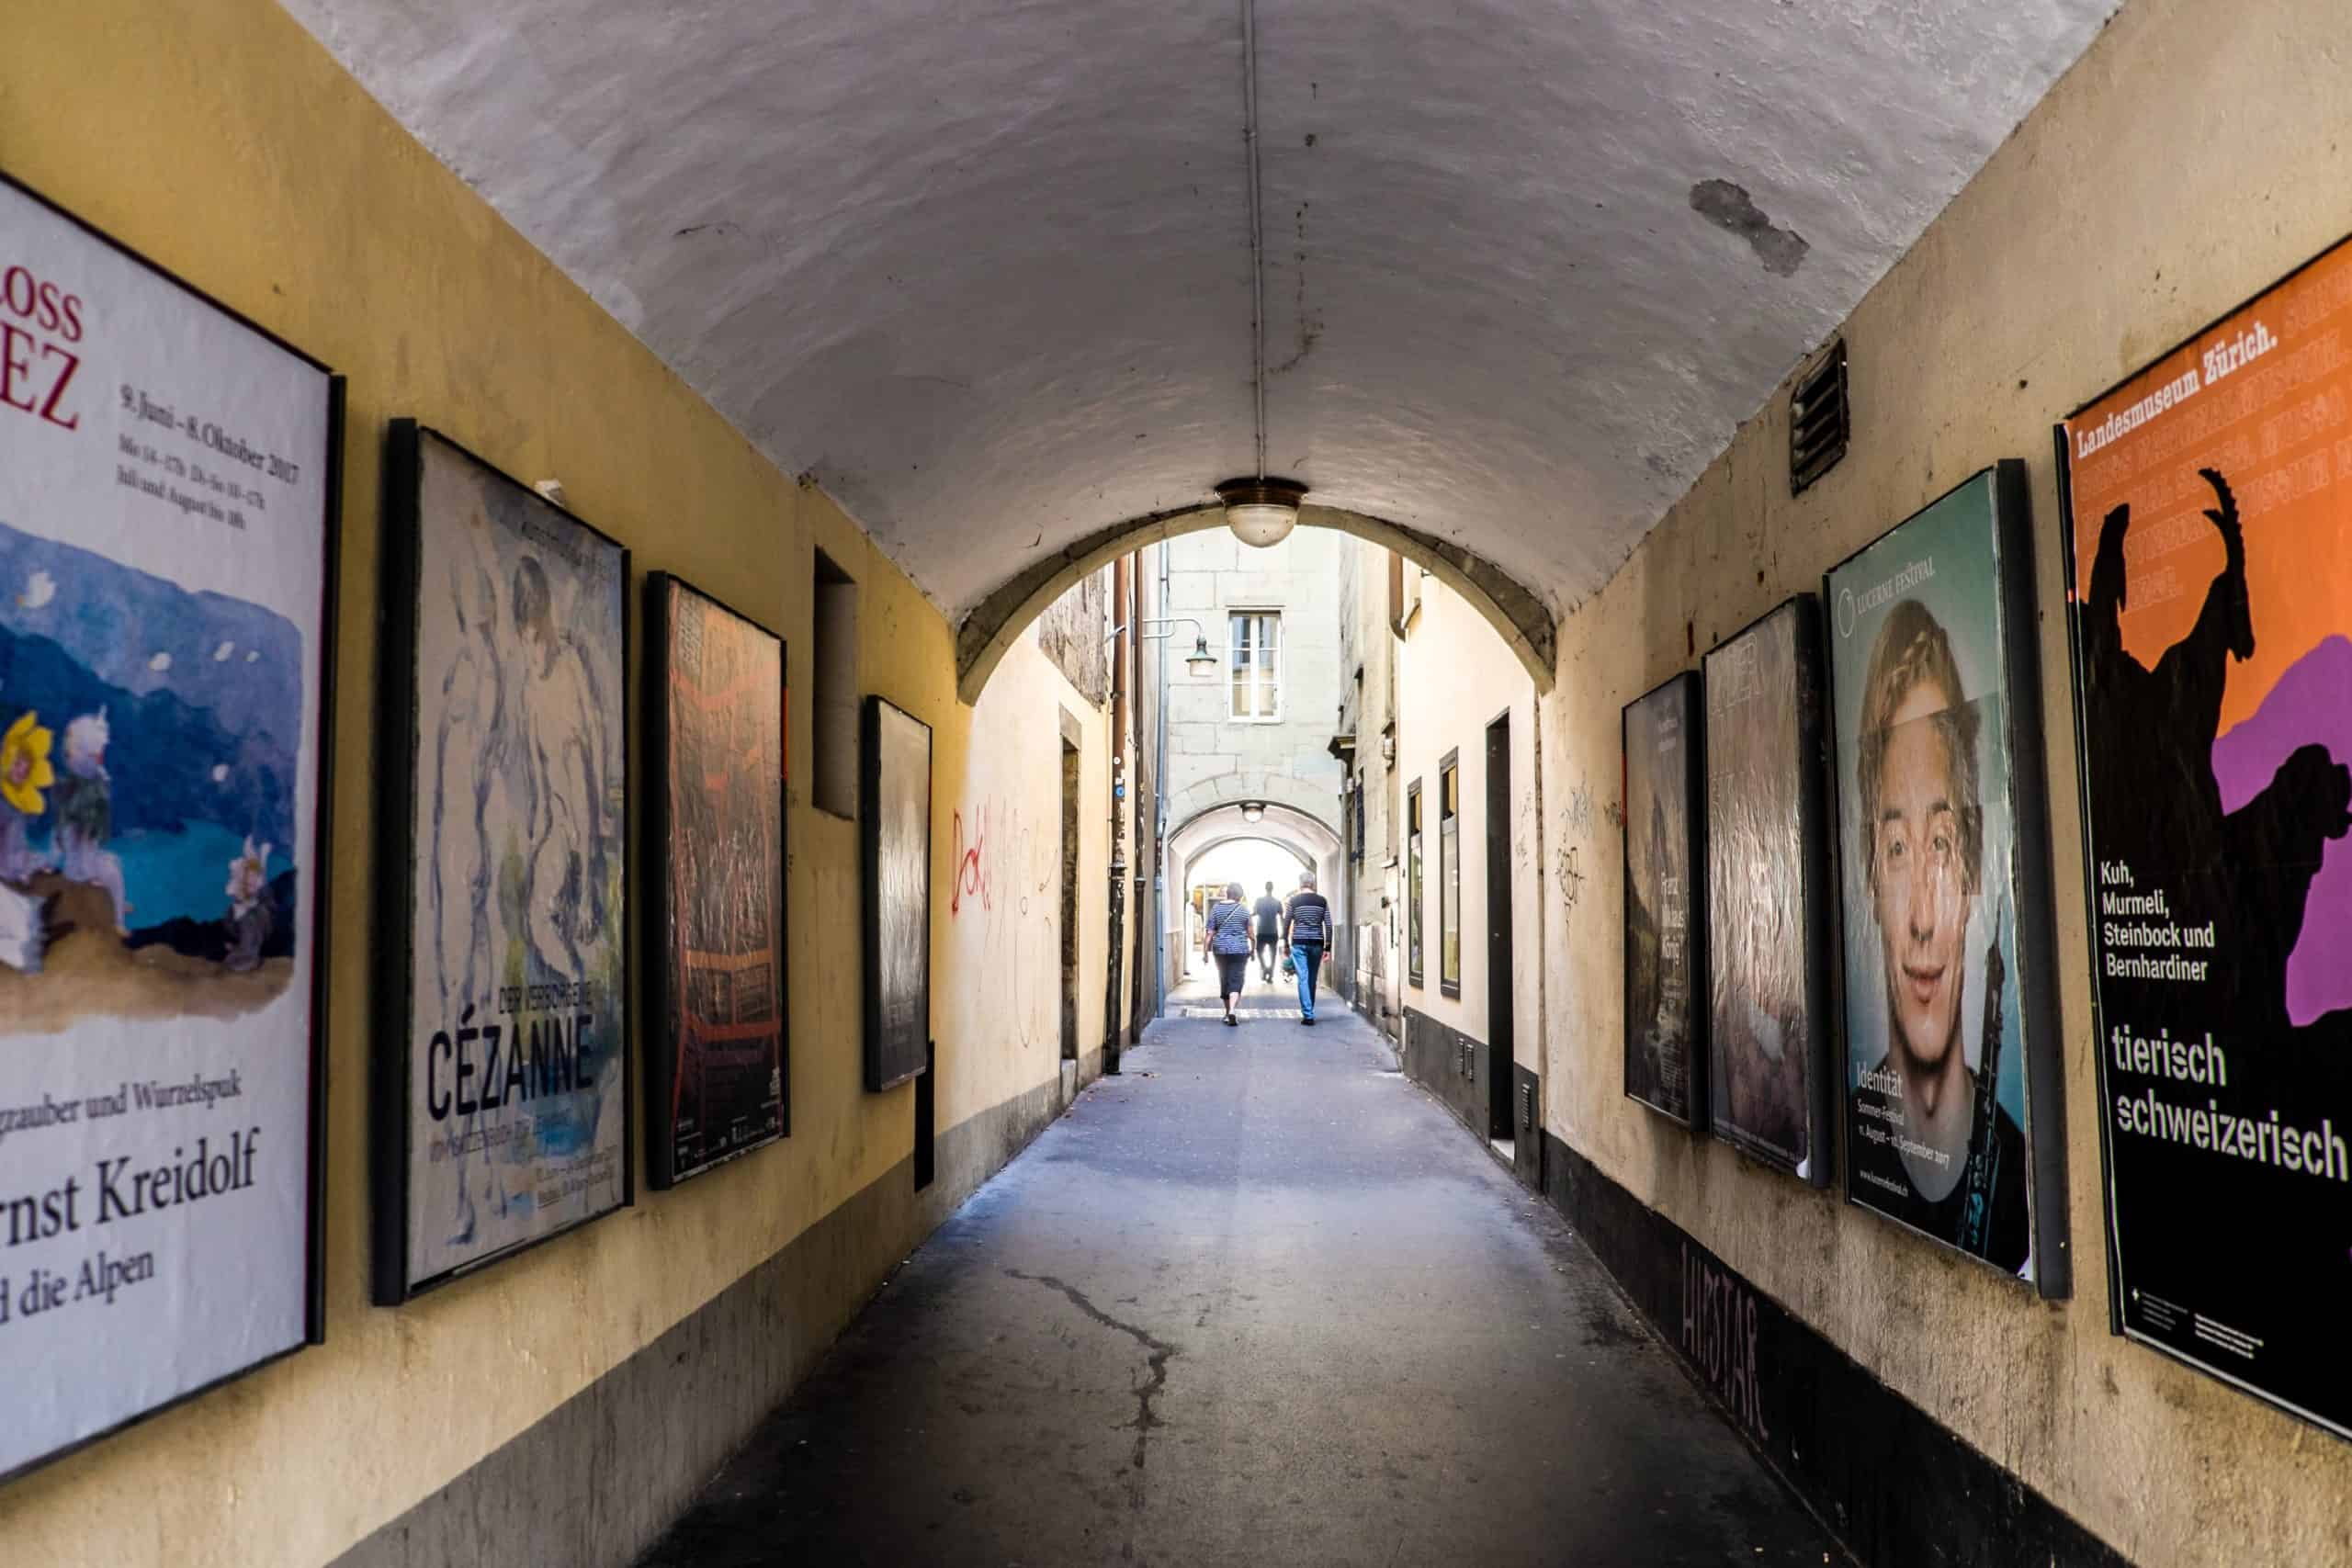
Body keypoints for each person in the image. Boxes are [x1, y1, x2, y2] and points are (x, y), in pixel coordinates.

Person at [1844, 598, 2028, 1271]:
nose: (1921, 918)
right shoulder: (1847, 1136)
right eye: (1897, 848)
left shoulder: (2021, 1174)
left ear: (1975, 865)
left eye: (1942, 844)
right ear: (1870, 875)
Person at [1202, 880, 1254, 1027]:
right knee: (1236, 980)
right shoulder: (1244, 910)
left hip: (1221, 950)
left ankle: (1227, 1012)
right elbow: (1251, 935)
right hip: (1239, 950)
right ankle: (1231, 1010)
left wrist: (1205, 952)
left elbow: (1209, 934)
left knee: (1224, 978)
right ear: (1240, 895)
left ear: (1227, 894)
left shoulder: (1216, 909)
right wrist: (1253, 949)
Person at [1283, 871, 1331, 1025]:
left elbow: (1287, 922)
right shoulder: (1322, 901)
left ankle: (1308, 1014)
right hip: (1317, 943)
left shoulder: (1294, 901)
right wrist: (1328, 948)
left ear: (1300, 883)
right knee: (1312, 978)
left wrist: (1285, 942)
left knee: (1302, 978)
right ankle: (1310, 1009)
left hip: (1299, 942)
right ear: (1313, 883)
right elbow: (1329, 925)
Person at [1253, 881, 1283, 983]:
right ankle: (1270, 975)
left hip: (1261, 930)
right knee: (1273, 954)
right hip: (1273, 931)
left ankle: (1264, 967)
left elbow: (1254, 912)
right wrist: (1284, 932)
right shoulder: (1277, 902)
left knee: (1259, 951)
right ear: (1272, 888)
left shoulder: (1259, 901)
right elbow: (1281, 917)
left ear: (1265, 888)